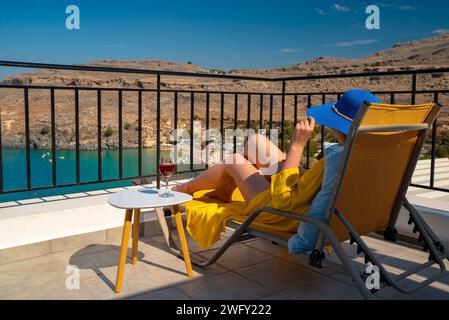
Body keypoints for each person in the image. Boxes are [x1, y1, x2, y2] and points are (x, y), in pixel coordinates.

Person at [173, 89, 381, 250]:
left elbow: (284, 200)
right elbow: (317, 185)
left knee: (235, 160)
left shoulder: (336, 156)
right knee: (257, 143)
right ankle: (225, 189)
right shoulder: (365, 154)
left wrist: (297, 145)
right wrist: (295, 166)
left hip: (283, 213)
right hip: (302, 200)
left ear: (338, 126)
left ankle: (187, 188)